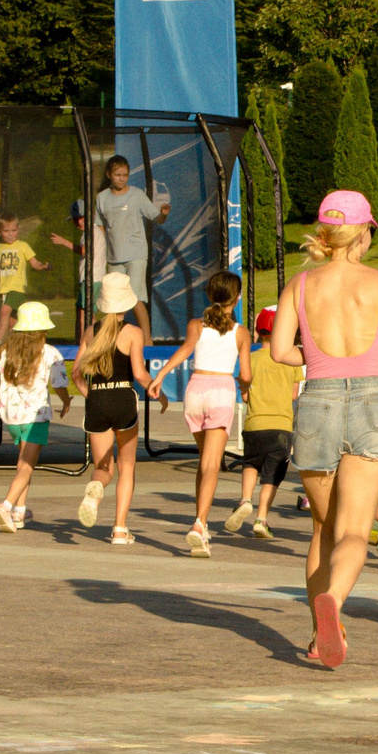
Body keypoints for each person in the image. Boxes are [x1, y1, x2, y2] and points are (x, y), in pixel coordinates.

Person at [269, 190, 378, 669]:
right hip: (370, 402)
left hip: (316, 402)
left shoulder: (299, 286)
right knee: (355, 530)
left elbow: (279, 352)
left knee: (322, 526)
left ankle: (320, 635)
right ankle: (333, 603)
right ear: (362, 232)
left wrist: (317, 359)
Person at [148, 273, 253, 557]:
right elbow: (245, 374)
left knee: (204, 462)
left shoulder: (196, 324)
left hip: (194, 392)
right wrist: (245, 389)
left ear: (210, 296)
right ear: (237, 297)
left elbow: (184, 351)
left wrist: (160, 376)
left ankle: (201, 528)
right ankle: (199, 523)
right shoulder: (241, 332)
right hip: (220, 391)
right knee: (211, 465)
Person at [0, 300, 67, 533]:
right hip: (36, 418)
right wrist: (66, 400)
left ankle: (20, 513)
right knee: (26, 467)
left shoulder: (5, 351)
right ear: (42, 330)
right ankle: (6, 506)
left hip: (11, 417)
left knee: (23, 464)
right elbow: (60, 383)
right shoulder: (51, 353)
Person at [71, 272, 150, 545]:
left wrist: (90, 395)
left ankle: (96, 488)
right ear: (126, 305)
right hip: (123, 400)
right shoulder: (133, 333)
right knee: (127, 467)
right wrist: (157, 391)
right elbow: (139, 374)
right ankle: (119, 529)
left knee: (104, 467)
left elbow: (76, 374)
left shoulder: (91, 332)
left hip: (98, 401)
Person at [229, 306, 298, 540]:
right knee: (272, 476)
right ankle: (261, 518)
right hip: (281, 426)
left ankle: (245, 499)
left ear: (258, 332)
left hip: (254, 424)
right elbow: (293, 394)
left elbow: (246, 395)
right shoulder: (290, 359)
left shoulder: (252, 358)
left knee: (251, 463)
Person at [93, 155, 169, 334]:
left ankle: (147, 339)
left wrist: (163, 214)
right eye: (118, 174)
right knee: (114, 299)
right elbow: (100, 225)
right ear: (108, 174)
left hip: (136, 255)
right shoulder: (102, 198)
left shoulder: (136, 195)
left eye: (125, 175)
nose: (122, 178)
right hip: (114, 258)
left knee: (135, 297)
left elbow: (156, 217)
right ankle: (113, 336)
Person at [0, 213, 48, 337]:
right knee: (12, 323)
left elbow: (34, 263)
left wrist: (42, 266)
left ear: (18, 229)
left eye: (13, 230)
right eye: (6, 231)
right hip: (3, 291)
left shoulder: (23, 246)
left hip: (17, 288)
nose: (10, 234)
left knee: (4, 311)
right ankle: (17, 343)